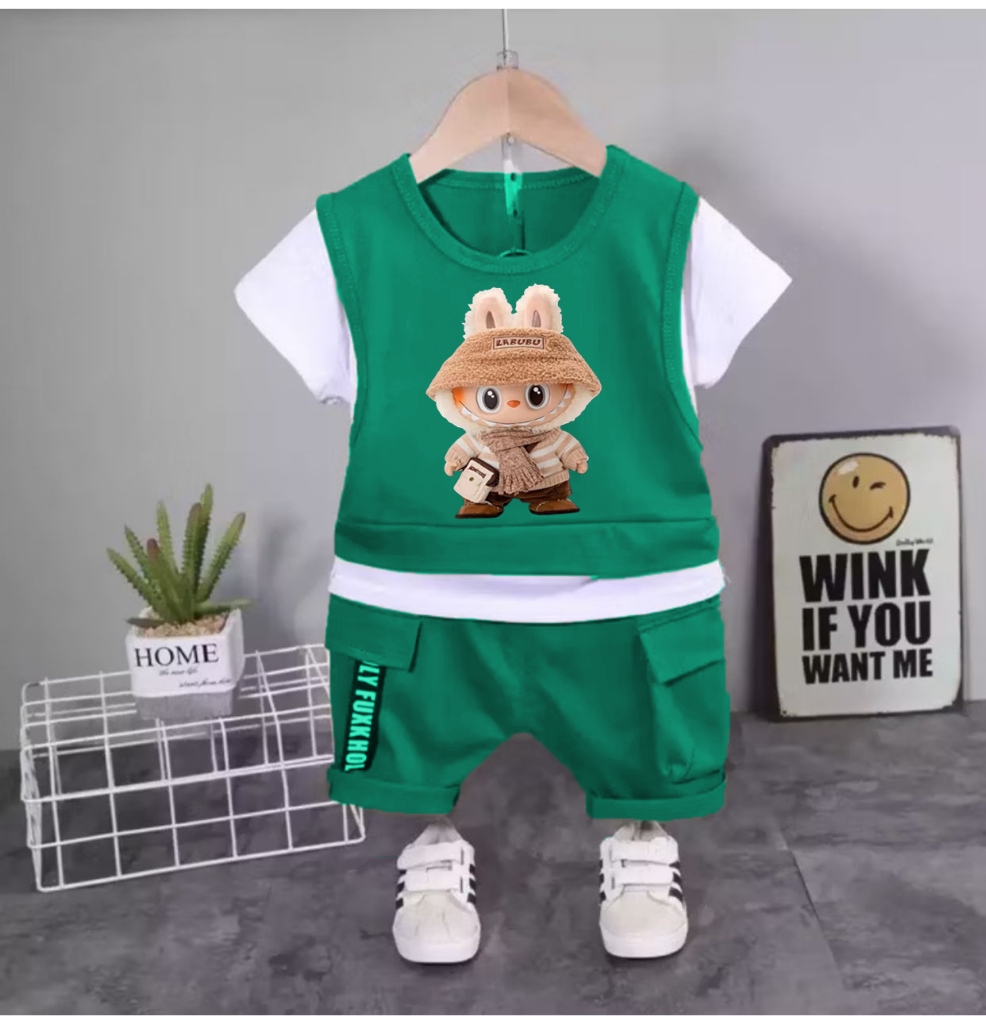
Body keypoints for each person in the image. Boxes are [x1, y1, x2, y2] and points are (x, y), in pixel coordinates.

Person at [236, 145, 790, 963]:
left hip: (624, 597)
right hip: (422, 605)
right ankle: (429, 843)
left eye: (535, 391)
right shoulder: (349, 237)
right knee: (394, 757)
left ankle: (642, 837)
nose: (516, 405)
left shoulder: (672, 228)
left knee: (652, 762)